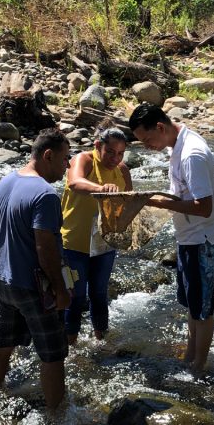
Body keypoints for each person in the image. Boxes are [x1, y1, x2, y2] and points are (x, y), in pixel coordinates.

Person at [128, 103, 214, 373]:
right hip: (189, 238)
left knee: (202, 310)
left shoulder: (191, 154)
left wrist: (158, 202)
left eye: (147, 140)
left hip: (203, 241)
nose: (146, 146)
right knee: (193, 305)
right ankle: (190, 356)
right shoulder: (176, 145)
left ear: (160, 127)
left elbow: (203, 207)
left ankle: (199, 367)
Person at [0, 128, 72, 412]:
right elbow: (45, 247)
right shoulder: (45, 195)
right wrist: (60, 290)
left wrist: (0, 261)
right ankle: (57, 417)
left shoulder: (4, 182)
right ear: (48, 155)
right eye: (65, 159)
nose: (67, 166)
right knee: (53, 354)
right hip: (33, 286)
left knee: (2, 344)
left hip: (3, 279)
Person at [60, 123, 133, 345]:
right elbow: (75, 182)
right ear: (98, 145)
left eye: (120, 153)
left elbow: (129, 202)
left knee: (99, 294)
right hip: (74, 243)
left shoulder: (122, 170)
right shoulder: (84, 159)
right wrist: (101, 189)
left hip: (104, 243)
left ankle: (101, 342)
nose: (115, 158)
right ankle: (69, 346)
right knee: (75, 297)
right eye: (110, 151)